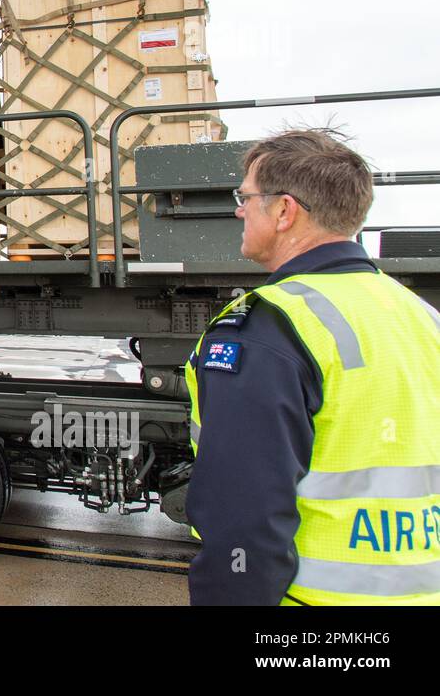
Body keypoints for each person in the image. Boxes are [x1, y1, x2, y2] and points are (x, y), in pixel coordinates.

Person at [184, 128, 440, 605]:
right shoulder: (420, 315)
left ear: (284, 211)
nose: (239, 209)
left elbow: (244, 517)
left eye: (245, 197)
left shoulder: (273, 327)